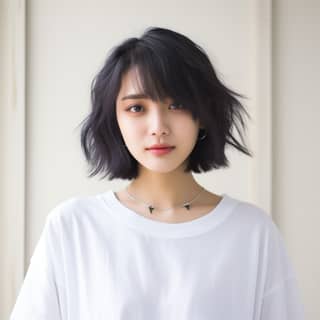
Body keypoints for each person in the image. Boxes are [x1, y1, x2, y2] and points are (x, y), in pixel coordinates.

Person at [10, 27, 305, 319]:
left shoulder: (251, 232)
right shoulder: (73, 227)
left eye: (176, 105)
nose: (158, 127)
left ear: (202, 115)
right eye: (137, 108)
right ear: (115, 120)